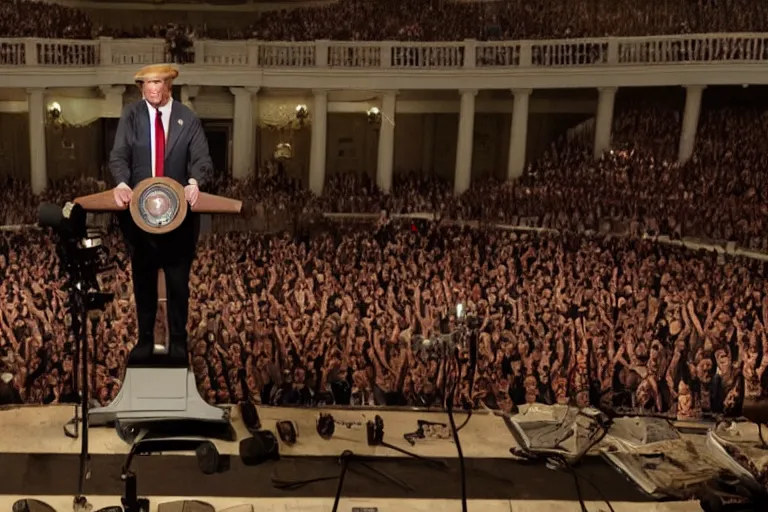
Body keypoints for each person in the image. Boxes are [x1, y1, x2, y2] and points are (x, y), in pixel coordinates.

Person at [109, 63, 213, 366]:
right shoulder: (131, 115)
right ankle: (144, 340)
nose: (152, 88)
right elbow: (119, 155)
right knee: (143, 281)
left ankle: (178, 342)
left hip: (178, 220)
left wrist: (195, 181)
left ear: (169, 85)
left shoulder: (187, 117)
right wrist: (121, 182)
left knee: (179, 283)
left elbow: (202, 158)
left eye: (158, 82)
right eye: (146, 83)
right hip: (140, 219)